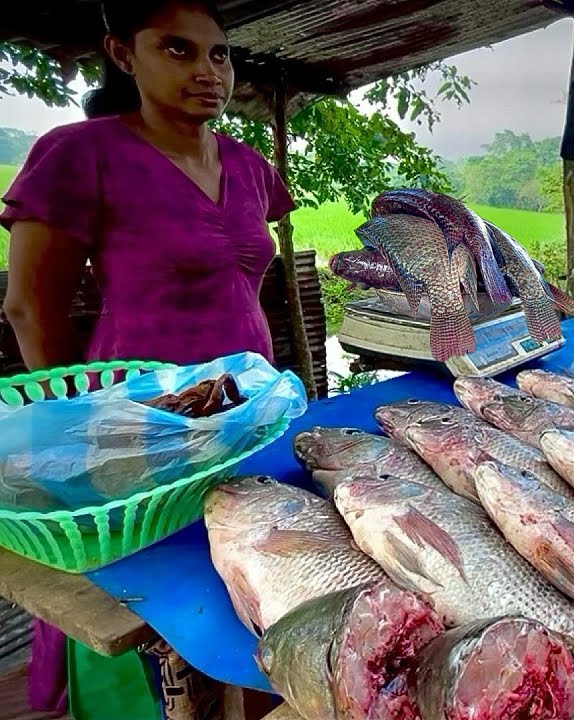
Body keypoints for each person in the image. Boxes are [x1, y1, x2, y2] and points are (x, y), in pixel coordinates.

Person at [1, 0, 293, 712]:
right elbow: (29, 306)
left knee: (253, 581)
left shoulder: (249, 167)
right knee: (150, 602)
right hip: (139, 423)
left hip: (245, 411)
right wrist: (78, 442)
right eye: (178, 50)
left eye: (219, 54)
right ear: (124, 54)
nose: (207, 71)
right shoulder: (82, 152)